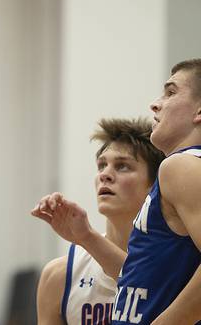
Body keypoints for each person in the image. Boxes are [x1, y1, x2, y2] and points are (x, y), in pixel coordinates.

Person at [34, 59, 201, 324]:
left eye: (171, 92)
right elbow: (148, 283)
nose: (155, 104)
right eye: (101, 165)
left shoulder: (180, 165)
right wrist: (87, 237)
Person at [33, 118, 164, 325]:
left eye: (122, 166)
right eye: (102, 165)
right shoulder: (59, 275)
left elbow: (145, 282)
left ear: (155, 185)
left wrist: (87, 237)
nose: (105, 175)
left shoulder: (178, 263)